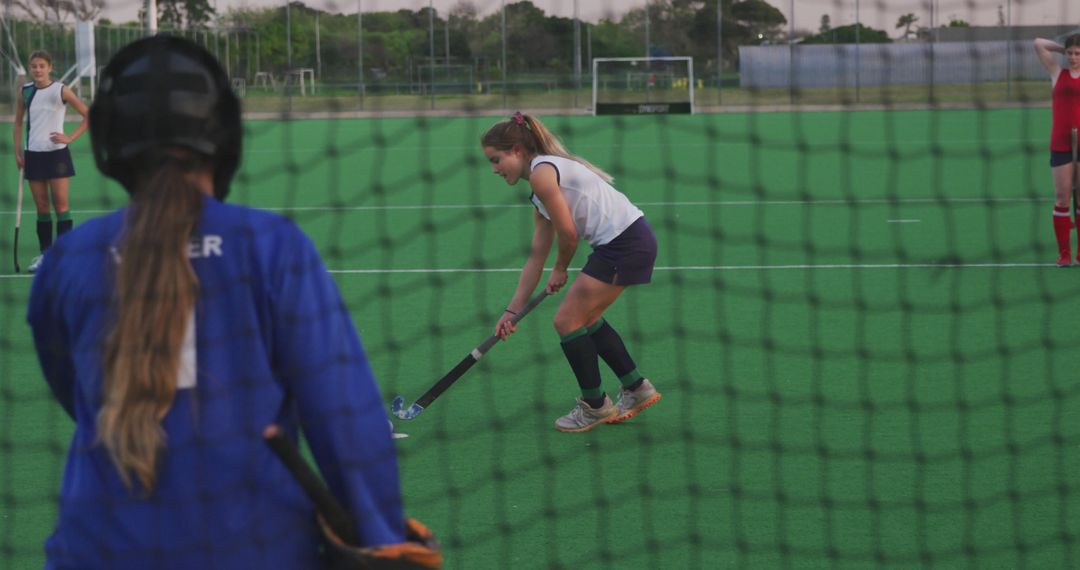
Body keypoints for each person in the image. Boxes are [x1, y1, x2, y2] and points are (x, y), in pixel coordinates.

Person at [27, 36, 430, 569]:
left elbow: (76, 394)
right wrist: (382, 534)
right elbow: (344, 415)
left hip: (97, 545)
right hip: (256, 546)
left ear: (111, 140)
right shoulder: (271, 245)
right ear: (222, 133)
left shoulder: (68, 258)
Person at [482, 112, 662, 433]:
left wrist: (561, 269)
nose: (494, 169)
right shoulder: (540, 188)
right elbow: (536, 258)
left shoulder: (542, 173)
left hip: (624, 244)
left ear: (517, 151)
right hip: (630, 241)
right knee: (586, 318)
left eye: (497, 160)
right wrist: (512, 311)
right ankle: (636, 388)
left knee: (566, 320)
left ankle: (594, 406)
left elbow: (568, 234)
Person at [12, 50, 89, 274]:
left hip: (57, 155)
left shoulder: (61, 90)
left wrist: (71, 138)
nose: (37, 70)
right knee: (42, 207)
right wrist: (18, 152)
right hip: (33, 155)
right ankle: (46, 255)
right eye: (34, 66)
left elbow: (88, 114)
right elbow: (17, 124)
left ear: (50, 67)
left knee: (61, 206)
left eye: (42, 66)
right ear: (30, 68)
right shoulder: (24, 92)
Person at [1035, 34, 1080, 267]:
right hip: (1061, 145)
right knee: (1063, 198)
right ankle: (1064, 254)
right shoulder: (1057, 74)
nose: (1073, 57)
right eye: (1070, 53)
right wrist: (1062, 49)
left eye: (1077, 53)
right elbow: (1038, 43)